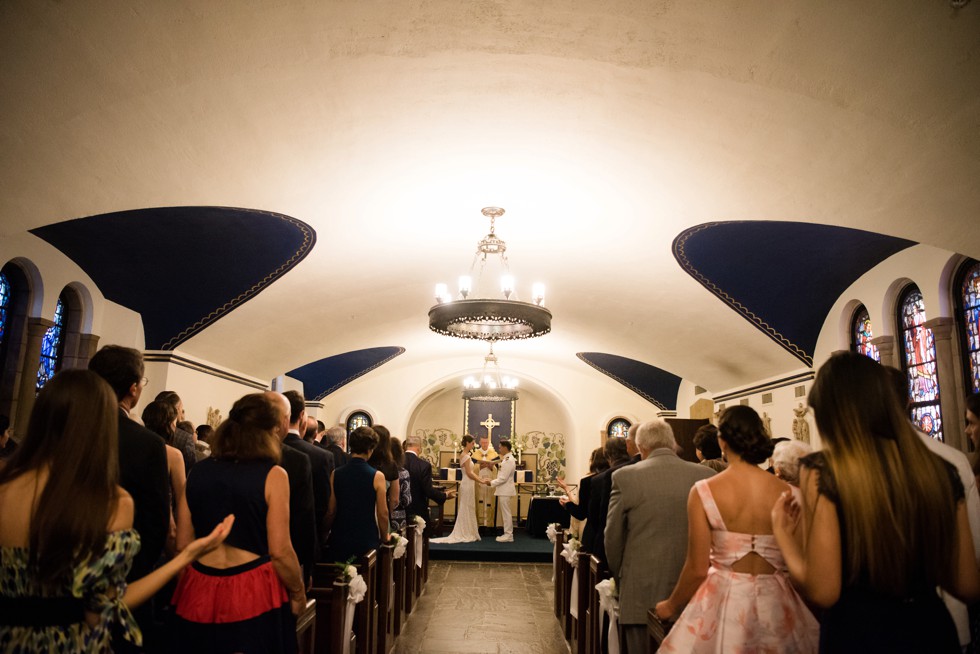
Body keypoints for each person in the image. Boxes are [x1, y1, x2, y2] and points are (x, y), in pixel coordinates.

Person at [0, 369, 232, 653]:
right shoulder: (109, 502)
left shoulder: (6, 485)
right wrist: (187, 556)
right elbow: (101, 608)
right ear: (99, 425)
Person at [772, 352, 980, 653]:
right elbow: (967, 585)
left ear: (835, 415)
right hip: (930, 630)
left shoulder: (822, 472)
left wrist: (783, 535)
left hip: (859, 633)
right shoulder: (941, 471)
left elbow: (823, 590)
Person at [655, 406, 818, 653]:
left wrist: (671, 605)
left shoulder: (703, 491)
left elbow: (697, 568)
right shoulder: (790, 494)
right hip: (776, 601)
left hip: (723, 599)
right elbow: (801, 563)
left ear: (723, 441)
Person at [172, 392, 304, 654]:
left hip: (199, 583)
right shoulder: (274, 475)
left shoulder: (198, 470)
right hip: (252, 588)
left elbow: (182, 543)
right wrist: (298, 592)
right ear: (270, 431)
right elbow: (280, 551)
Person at [605, 419, 715, 654]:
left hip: (640, 592)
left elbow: (612, 539)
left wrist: (622, 577)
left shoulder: (625, 477)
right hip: (694, 593)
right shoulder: (705, 474)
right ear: (672, 443)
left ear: (640, 447)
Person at [88, 344, 170, 649]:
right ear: (133, 390)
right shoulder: (147, 443)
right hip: (126, 580)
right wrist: (134, 570)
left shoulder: (63, 429)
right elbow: (156, 521)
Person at [324, 426, 391, 562]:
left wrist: (325, 533)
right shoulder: (377, 476)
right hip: (366, 538)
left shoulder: (336, 473)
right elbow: (382, 513)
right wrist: (385, 537)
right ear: (370, 449)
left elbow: (331, 510)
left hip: (340, 536)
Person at [431, 435, 484, 544]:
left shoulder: (465, 455)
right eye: (473, 443)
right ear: (468, 443)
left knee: (468, 506)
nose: (474, 445)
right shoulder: (466, 456)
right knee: (466, 506)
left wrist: (480, 479)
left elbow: (471, 473)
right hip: (467, 483)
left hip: (468, 483)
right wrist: (481, 481)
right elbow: (469, 473)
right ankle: (466, 531)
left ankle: (469, 530)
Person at [404, 435, 455, 536]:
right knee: (419, 542)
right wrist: (444, 495)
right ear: (419, 447)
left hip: (400, 510)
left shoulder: (395, 462)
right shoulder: (423, 465)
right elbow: (428, 490)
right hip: (418, 509)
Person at [557, 447, 607, 537]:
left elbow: (580, 511)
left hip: (593, 529)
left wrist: (567, 504)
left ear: (594, 461)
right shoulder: (617, 477)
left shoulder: (588, 481)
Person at [490, 439, 517, 542]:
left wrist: (491, 483)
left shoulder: (508, 460)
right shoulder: (506, 459)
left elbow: (503, 478)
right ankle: (507, 533)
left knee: (506, 513)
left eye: (500, 447)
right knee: (505, 513)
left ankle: (508, 535)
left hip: (505, 490)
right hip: (504, 489)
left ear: (506, 447)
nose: (499, 448)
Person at [390, 437, 412, 531]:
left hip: (377, 515)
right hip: (397, 518)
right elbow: (406, 500)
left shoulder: (377, 471)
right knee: (397, 543)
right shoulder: (403, 473)